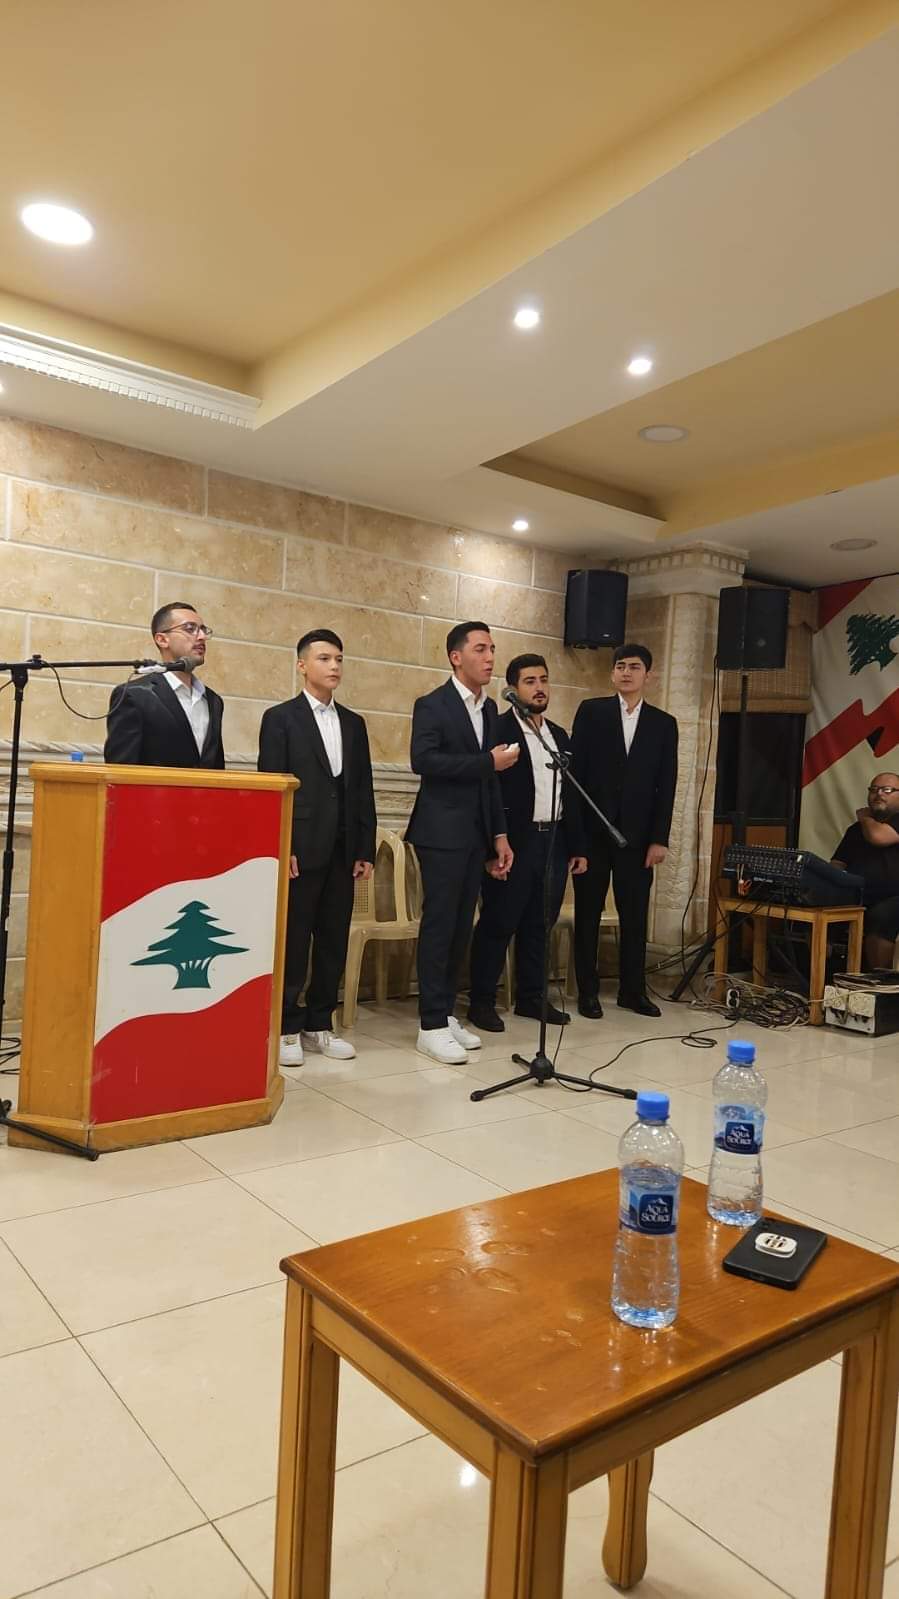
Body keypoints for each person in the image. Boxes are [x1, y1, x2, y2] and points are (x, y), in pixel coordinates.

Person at [258, 628, 376, 1066]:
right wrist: (282, 842)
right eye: (324, 658)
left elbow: (362, 789)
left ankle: (319, 1023)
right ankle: (286, 1026)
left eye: (339, 659)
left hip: (343, 850)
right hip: (300, 848)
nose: (334, 666)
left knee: (332, 938)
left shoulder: (354, 723)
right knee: (294, 938)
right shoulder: (280, 718)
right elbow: (274, 784)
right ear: (302, 665)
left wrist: (364, 847)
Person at [406, 621, 517, 1064]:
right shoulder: (432, 704)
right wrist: (486, 760)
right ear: (456, 657)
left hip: (475, 834)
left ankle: (446, 1012)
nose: (490, 658)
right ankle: (430, 1024)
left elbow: (491, 781)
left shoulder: (489, 709)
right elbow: (424, 760)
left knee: (460, 928)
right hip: (440, 832)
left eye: (492, 649)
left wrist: (499, 836)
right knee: (440, 925)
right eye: (480, 649)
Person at [468, 654, 587, 1032]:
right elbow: (487, 793)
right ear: (513, 689)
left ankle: (532, 998)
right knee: (499, 921)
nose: (539, 688)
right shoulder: (498, 729)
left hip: (554, 841)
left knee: (541, 923)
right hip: (513, 842)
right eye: (530, 681)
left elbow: (572, 795)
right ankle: (482, 1001)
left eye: (544, 680)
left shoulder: (559, 736)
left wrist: (577, 846)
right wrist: (492, 849)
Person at [570, 642, 678, 1019]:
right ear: (612, 673)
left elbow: (666, 784)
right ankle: (587, 992)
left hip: (638, 838)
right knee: (587, 915)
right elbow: (575, 777)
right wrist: (577, 839)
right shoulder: (592, 712)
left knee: (635, 916)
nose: (626, 672)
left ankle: (633, 991)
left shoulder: (663, 723)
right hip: (594, 835)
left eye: (634, 667)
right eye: (620, 666)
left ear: (648, 675)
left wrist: (659, 838)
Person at [104, 602, 224, 767]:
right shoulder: (134, 695)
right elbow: (120, 769)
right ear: (162, 639)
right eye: (190, 629)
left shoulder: (213, 700)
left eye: (203, 630)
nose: (201, 636)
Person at [832, 773, 899, 968]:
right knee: (820, 909)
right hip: (858, 894)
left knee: (881, 916)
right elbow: (837, 864)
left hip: (893, 896)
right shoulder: (856, 830)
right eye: (874, 789)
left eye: (887, 790)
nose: (879, 794)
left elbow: (878, 837)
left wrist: (866, 818)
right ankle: (822, 976)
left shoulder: (871, 823)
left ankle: (879, 980)